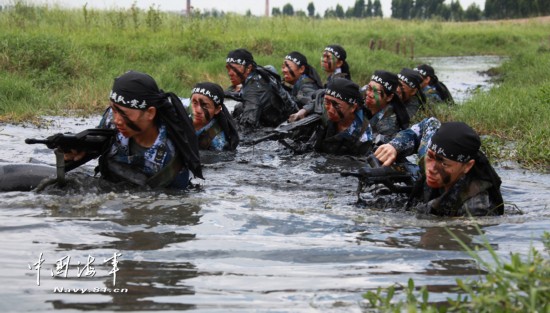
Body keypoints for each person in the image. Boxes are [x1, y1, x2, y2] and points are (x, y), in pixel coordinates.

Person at [65, 70, 203, 189]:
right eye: (114, 110)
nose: (116, 120)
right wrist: (78, 150)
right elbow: (100, 142)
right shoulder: (111, 119)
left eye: (124, 114)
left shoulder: (170, 160)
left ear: (150, 113)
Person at [374, 118, 504, 217]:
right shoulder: (434, 153)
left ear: (467, 166)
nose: (431, 168)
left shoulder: (476, 208)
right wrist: (394, 146)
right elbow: (428, 124)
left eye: (444, 164)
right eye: (430, 157)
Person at [225, 48, 298, 128]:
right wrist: (226, 94)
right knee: (239, 108)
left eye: (234, 69)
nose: (230, 73)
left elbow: (248, 126)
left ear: (248, 68)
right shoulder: (261, 70)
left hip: (287, 125)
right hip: (291, 111)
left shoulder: (253, 89)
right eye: (228, 68)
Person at [305, 78, 372, 156]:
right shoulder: (323, 111)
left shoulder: (363, 137)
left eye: (336, 105)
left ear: (352, 108)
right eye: (327, 102)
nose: (330, 109)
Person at [183, 82, 239, 151]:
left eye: (205, 106)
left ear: (217, 110)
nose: (197, 110)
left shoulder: (218, 143)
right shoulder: (183, 107)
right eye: (194, 103)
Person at [365, 70, 410, 145]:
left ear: (389, 97)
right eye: (369, 88)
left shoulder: (388, 126)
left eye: (376, 92)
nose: (369, 94)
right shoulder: (365, 102)